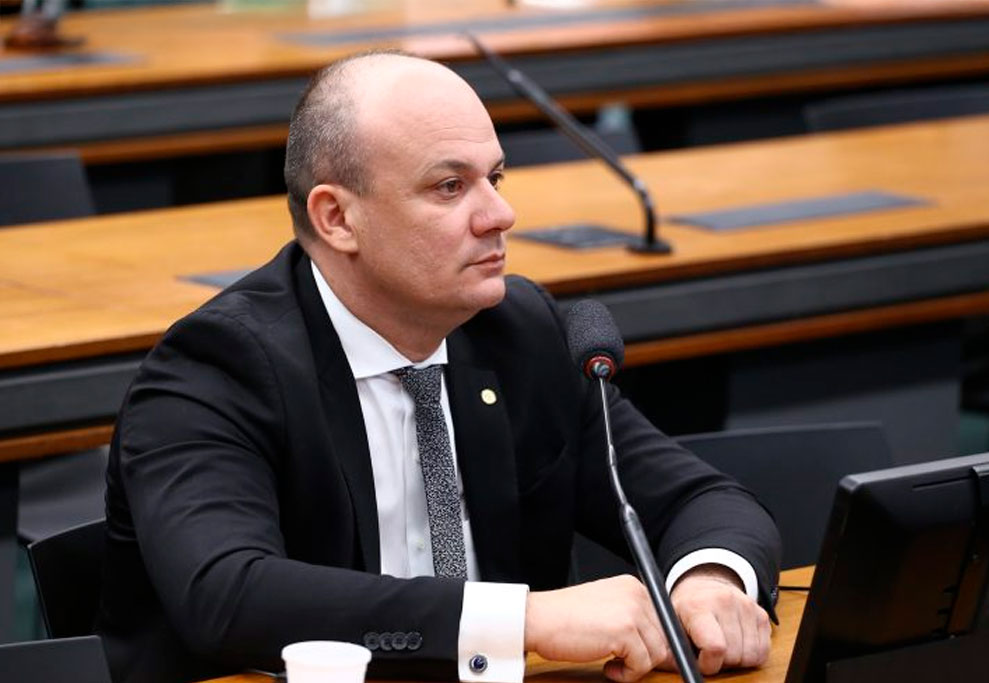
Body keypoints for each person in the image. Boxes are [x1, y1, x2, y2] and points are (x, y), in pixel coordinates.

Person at [97, 51, 781, 683]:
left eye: (496, 177)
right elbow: (230, 595)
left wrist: (709, 583)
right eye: (450, 186)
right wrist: (524, 619)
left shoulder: (522, 333)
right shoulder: (216, 367)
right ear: (337, 217)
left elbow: (701, 501)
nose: (500, 213)